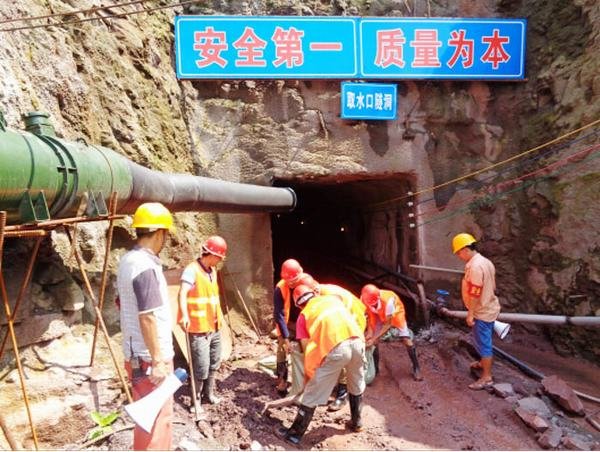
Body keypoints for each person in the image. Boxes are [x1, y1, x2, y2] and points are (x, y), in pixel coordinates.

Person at [116, 202, 175, 450]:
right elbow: (147, 316)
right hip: (149, 359)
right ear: (160, 233)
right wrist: (158, 360)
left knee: (146, 421)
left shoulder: (127, 260)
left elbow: (121, 302)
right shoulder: (145, 266)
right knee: (157, 422)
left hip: (136, 356)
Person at [279, 285, 366, 445]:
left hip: (337, 348)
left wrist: (309, 377)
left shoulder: (304, 316)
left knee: (312, 393)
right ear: (314, 294)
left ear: (298, 305)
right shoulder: (333, 300)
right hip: (358, 342)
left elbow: (308, 349)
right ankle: (357, 423)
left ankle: (294, 435)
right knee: (356, 383)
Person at [178, 235, 228, 408]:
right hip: (199, 329)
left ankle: (209, 394)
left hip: (214, 327)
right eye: (219, 257)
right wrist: (184, 315)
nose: (220, 261)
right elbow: (182, 293)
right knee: (200, 367)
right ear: (212, 255)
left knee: (214, 363)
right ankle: (196, 401)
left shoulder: (212, 271)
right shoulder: (192, 270)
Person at [452, 232, 500, 390]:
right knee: (482, 340)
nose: (459, 256)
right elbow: (492, 285)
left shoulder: (475, 267)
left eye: (459, 253)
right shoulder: (485, 262)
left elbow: (474, 293)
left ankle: (486, 377)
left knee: (484, 343)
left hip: (481, 312)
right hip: (489, 307)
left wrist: (470, 314)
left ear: (465, 249)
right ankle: (482, 363)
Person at [316, 282, 367, 411]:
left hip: (353, 323)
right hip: (344, 322)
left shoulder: (330, 298)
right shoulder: (321, 296)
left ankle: (342, 396)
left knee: (344, 355)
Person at [360, 284, 423, 381]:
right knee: (374, 342)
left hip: (395, 314)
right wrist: (370, 334)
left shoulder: (388, 301)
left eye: (374, 304)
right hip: (376, 315)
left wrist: (374, 338)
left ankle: (416, 367)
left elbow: (387, 324)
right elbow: (370, 318)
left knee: (406, 339)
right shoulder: (364, 299)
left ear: (378, 298)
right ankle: (376, 369)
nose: (372, 305)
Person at [272, 258, 306, 394]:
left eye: (294, 280)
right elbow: (279, 314)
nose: (291, 283)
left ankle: (305, 380)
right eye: (289, 281)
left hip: (304, 322)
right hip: (286, 322)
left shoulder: (307, 283)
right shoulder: (280, 288)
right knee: (282, 350)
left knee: (306, 350)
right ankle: (282, 379)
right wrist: (285, 339)